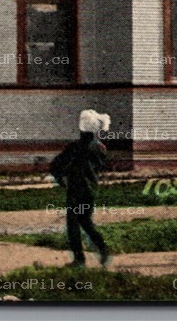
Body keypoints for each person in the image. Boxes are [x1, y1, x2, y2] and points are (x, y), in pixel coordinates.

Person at [48, 109, 112, 267]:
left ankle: (79, 259)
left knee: (73, 224)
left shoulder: (74, 147)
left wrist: (61, 178)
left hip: (76, 191)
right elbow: (102, 166)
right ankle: (103, 248)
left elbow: (55, 165)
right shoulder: (100, 148)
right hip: (90, 190)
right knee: (86, 221)